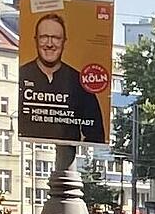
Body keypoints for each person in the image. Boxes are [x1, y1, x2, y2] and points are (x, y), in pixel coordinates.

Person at [19, 12, 104, 143]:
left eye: (56, 38)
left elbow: (96, 134)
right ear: (35, 40)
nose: (49, 44)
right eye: (44, 37)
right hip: (27, 150)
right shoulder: (21, 76)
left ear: (64, 42)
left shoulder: (80, 83)